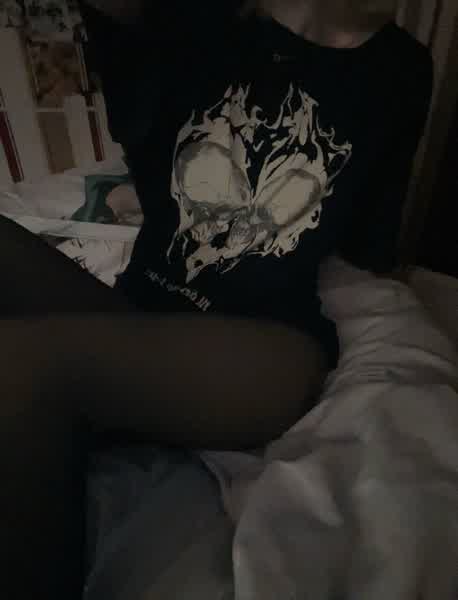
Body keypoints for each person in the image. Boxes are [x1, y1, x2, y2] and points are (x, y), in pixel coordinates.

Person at [1, 1, 433, 598]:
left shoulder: (402, 69)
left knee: (22, 362)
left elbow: (370, 244)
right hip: (145, 318)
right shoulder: (202, 23)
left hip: (262, 350)